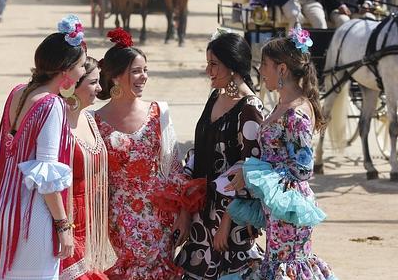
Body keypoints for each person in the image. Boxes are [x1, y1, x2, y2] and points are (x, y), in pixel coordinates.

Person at [0, 14, 87, 279]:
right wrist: (63, 226)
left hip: (4, 210)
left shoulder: (17, 93)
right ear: (66, 71)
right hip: (32, 219)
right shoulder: (51, 105)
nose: (83, 72)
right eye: (81, 66)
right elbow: (46, 178)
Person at [226, 29, 337, 279]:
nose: (261, 70)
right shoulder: (282, 105)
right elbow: (276, 156)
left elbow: (301, 170)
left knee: (288, 267)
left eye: (265, 64)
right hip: (278, 207)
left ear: (282, 69)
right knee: (276, 265)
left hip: (290, 207)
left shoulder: (296, 113)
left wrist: (251, 174)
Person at [94, 28, 204, 279]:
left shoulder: (159, 112)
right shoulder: (94, 121)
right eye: (136, 71)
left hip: (160, 217)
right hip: (118, 219)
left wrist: (184, 214)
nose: (143, 77)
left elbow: (174, 169)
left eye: (145, 70)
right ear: (115, 76)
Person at [176, 32, 264, 280]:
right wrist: (185, 206)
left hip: (229, 225)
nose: (208, 71)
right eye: (208, 64)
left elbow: (250, 169)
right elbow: (198, 151)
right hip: (201, 216)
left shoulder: (250, 107)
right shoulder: (215, 96)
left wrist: (226, 223)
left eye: (214, 64)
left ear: (233, 65)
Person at [60, 56, 111, 280]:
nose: (100, 88)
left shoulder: (90, 119)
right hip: (66, 217)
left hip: (90, 218)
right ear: (73, 86)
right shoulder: (58, 121)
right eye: (93, 82)